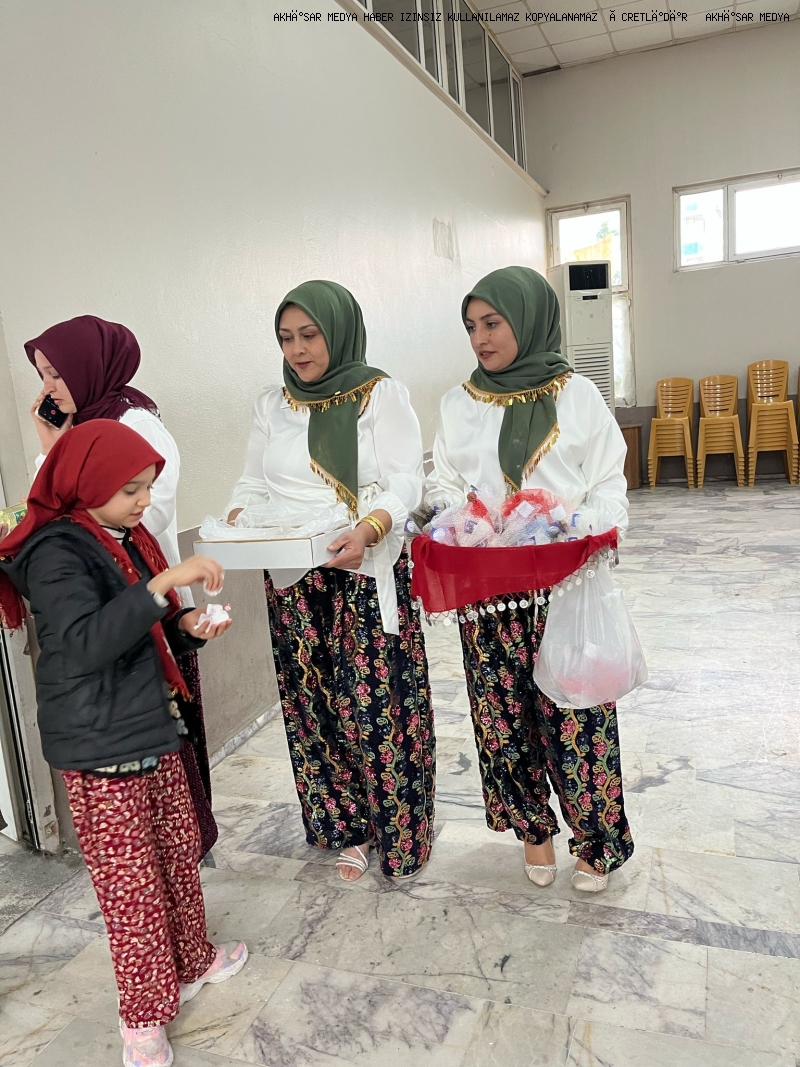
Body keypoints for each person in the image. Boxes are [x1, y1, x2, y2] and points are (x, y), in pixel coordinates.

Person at [0, 421, 246, 1067]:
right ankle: (141, 1017)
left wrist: (186, 625)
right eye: (130, 488)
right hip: (98, 744)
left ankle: (191, 961)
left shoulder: (120, 536)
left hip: (148, 722)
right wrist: (163, 586)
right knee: (131, 886)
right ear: (88, 484)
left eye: (148, 486)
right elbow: (86, 642)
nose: (144, 500)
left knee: (177, 851)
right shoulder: (56, 551)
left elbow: (144, 627)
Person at [425, 266, 633, 893]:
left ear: (529, 319)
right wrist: (466, 519)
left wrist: (581, 525)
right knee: (501, 715)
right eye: (471, 326)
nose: (479, 339)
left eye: (492, 323)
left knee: (579, 713)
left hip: (565, 584)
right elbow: (443, 483)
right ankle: (532, 830)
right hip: (489, 587)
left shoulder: (579, 395)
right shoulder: (459, 402)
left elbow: (609, 483)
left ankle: (595, 840)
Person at [227, 280, 435, 881]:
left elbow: (406, 482)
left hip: (363, 565)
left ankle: (400, 830)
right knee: (313, 701)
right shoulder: (273, 404)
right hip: (295, 575)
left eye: (310, 335)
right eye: (286, 338)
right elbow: (251, 482)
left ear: (338, 332)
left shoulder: (380, 394)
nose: (297, 350)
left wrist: (370, 528)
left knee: (377, 702)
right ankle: (347, 826)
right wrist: (237, 518)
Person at [25, 315, 217, 857]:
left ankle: (184, 845)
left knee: (171, 741)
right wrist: (55, 447)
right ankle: (160, 851)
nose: (48, 389)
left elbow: (139, 519)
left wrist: (61, 454)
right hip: (102, 619)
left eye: (56, 374)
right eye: (42, 376)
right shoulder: (80, 432)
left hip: (147, 608)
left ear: (88, 366)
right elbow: (57, 515)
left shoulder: (134, 423)